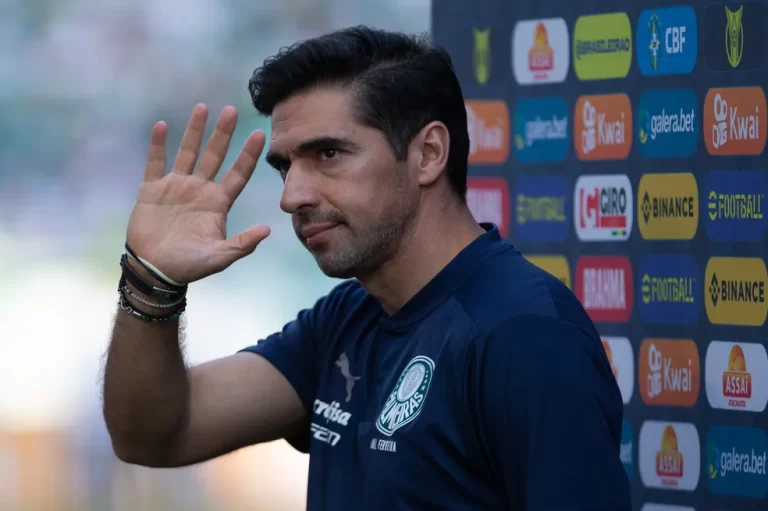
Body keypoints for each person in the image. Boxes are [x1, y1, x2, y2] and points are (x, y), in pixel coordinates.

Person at [102, 26, 631, 510]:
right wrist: (152, 282)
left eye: (328, 154)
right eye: (286, 166)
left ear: (428, 154)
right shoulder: (348, 317)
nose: (292, 196)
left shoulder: (524, 334)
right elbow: (152, 434)